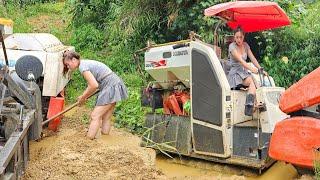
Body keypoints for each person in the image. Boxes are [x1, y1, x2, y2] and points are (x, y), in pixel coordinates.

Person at [63, 50, 128, 139]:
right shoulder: (85, 63)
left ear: (73, 60)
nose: (68, 67)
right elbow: (95, 86)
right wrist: (84, 96)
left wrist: (83, 97)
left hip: (110, 85)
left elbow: (93, 85)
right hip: (114, 83)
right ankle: (106, 139)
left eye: (67, 64)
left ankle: (88, 141)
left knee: (95, 115)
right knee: (106, 116)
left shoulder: (83, 66)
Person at [227, 27, 267, 116]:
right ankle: (249, 108)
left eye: (240, 37)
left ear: (243, 37)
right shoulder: (232, 46)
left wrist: (260, 69)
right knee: (252, 82)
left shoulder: (245, 45)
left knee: (256, 82)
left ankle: (254, 104)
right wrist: (252, 69)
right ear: (234, 37)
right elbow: (241, 61)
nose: (239, 40)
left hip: (243, 73)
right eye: (237, 37)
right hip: (235, 74)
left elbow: (252, 58)